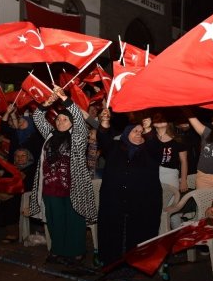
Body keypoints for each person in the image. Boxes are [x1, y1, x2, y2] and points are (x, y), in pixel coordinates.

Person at [28, 86, 97, 265]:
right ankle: (57, 250)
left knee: (75, 221)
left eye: (65, 119)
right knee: (54, 221)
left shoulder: (78, 136)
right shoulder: (50, 135)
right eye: (58, 118)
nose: (60, 121)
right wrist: (47, 103)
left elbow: (81, 121)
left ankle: (76, 252)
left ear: (73, 122)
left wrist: (65, 98)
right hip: (51, 187)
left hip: (74, 187)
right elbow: (37, 117)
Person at [96, 109, 163, 266]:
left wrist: (148, 129)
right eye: (135, 130)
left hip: (142, 204)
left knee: (139, 233)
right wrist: (105, 122)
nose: (138, 133)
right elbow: (103, 139)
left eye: (141, 131)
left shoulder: (151, 151)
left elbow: (154, 145)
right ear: (126, 133)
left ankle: (137, 263)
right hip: (114, 202)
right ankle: (112, 262)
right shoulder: (115, 148)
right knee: (113, 232)